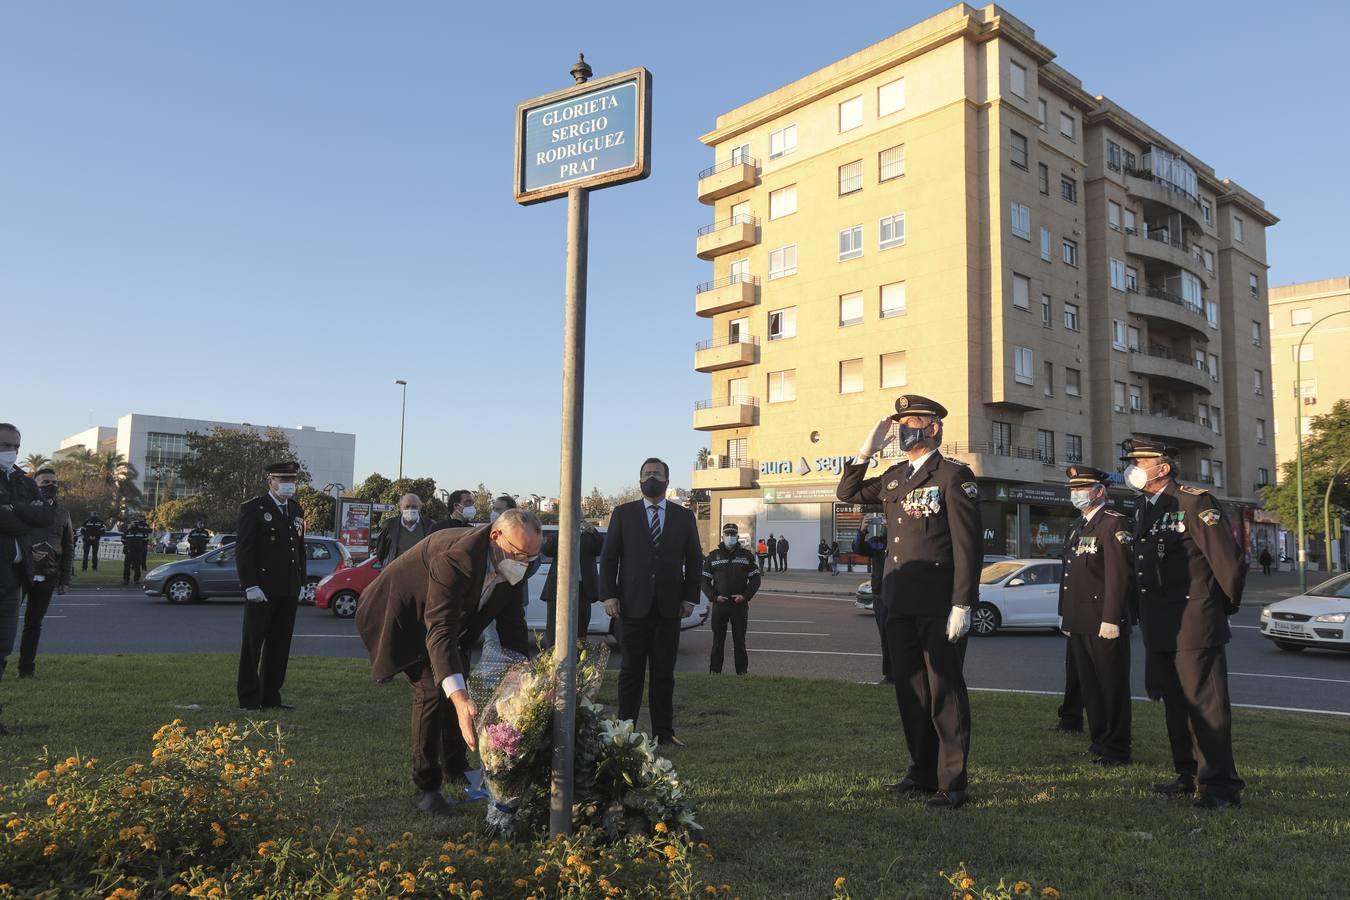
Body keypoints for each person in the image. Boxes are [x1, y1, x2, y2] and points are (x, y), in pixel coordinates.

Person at [837, 395, 979, 810]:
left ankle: (953, 783)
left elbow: (967, 545)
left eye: (911, 422)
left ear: (934, 427)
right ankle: (920, 772)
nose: (903, 430)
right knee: (911, 690)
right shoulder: (896, 475)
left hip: (938, 604)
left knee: (944, 692)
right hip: (898, 602)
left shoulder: (954, 476)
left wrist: (963, 603)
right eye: (899, 424)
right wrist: (867, 450)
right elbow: (847, 492)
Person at [355, 510, 539, 815]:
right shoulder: (458, 557)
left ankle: (455, 765)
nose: (524, 563)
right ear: (496, 537)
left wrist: (522, 672)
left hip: (452, 625)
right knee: (432, 690)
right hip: (402, 617)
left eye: (532, 558)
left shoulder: (518, 563)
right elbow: (439, 630)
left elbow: (512, 623)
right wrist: (458, 695)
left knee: (459, 683)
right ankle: (427, 787)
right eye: (519, 554)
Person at [1123, 438, 1246, 809]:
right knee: (1175, 703)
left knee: (1205, 706)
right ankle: (1188, 774)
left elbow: (1228, 563)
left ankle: (1221, 786)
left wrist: (1215, 609)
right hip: (1162, 624)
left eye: (1140, 461)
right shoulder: (1144, 506)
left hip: (1194, 621)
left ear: (1162, 468)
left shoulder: (1195, 502)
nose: (1132, 468)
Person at [600, 457, 703, 747]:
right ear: (640, 480)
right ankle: (625, 730)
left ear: (667, 481)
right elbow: (609, 558)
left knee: (663, 674)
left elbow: (694, 559)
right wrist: (609, 595)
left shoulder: (683, 517)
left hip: (670, 607)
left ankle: (664, 733)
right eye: (647, 473)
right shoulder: (623, 514)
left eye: (657, 473)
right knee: (630, 671)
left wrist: (690, 598)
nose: (651, 477)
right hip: (631, 606)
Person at [1058, 465, 1133, 766]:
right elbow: (1069, 575)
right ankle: (1099, 741)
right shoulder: (1079, 525)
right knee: (1090, 685)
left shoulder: (1114, 523)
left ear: (1099, 491)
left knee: (1111, 686)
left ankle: (1118, 748)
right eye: (1073, 489)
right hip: (1080, 619)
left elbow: (1119, 575)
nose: (1076, 494)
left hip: (1104, 620)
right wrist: (1065, 615)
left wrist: (1112, 617)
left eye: (1082, 488)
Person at [234, 460, 307, 711]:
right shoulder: (254, 509)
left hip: (288, 588)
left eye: (292, 481)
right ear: (271, 482)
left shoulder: (296, 510)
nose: (289, 486)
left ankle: (270, 696)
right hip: (262, 590)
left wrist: (302, 581)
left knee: (280, 645)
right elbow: (244, 551)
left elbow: (299, 550)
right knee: (253, 644)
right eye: (284, 481)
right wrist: (250, 585)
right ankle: (248, 697)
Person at [1, 424, 57, 702]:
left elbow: (46, 516)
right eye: (4, 445)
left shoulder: (22, 480)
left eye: (15, 447)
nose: (10, 452)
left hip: (15, 574)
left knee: (3, 647)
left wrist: (14, 511)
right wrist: (24, 516)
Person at [16, 469, 73, 679]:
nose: (50, 485)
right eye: (45, 482)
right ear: (35, 485)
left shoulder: (63, 513)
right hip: (19, 573)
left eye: (54, 482)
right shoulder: (22, 509)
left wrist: (64, 580)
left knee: (34, 624)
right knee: (7, 621)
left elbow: (68, 548)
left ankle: (26, 669)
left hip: (48, 575)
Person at [701, 523, 760, 675]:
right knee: (717, 641)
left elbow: (755, 580)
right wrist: (714, 597)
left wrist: (745, 596)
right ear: (722, 536)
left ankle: (742, 673)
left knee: (739, 641)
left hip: (739, 606)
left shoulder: (746, 556)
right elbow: (704, 580)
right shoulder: (713, 556)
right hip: (720, 605)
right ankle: (715, 672)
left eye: (733, 534)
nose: (730, 537)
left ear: (737, 536)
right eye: (727, 534)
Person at [541, 518, 603, 649]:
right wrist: (563, 530)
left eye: (580, 519)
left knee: (580, 630)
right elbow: (546, 550)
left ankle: (577, 662)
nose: (578, 523)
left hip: (583, 588)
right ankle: (552, 661)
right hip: (559, 588)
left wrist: (593, 531)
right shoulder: (560, 535)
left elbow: (603, 548)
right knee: (554, 628)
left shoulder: (590, 537)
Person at [860, 516, 892, 684]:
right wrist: (862, 530)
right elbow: (859, 548)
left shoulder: (902, 541)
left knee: (903, 636)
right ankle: (890, 675)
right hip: (880, 594)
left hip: (900, 594)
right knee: (885, 637)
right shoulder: (877, 542)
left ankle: (908, 674)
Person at [375, 494, 434, 566]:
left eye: (414, 507)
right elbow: (380, 551)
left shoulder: (430, 525)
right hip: (395, 573)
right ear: (400, 508)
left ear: (420, 508)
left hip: (421, 573)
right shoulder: (389, 525)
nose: (410, 509)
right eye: (407, 506)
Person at [121, 515, 152, 585]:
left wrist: (141, 548)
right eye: (133, 523)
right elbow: (123, 540)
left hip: (138, 552)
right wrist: (127, 547)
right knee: (127, 566)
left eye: (135, 524)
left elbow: (145, 541)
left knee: (137, 566)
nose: (134, 525)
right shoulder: (127, 532)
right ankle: (126, 579)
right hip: (129, 551)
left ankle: (136, 580)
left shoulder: (142, 532)